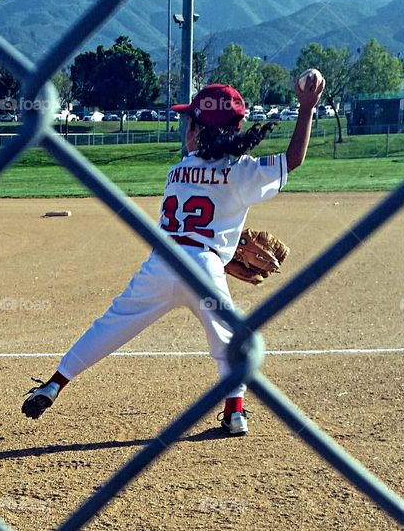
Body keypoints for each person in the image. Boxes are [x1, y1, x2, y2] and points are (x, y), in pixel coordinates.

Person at [21, 73, 325, 435]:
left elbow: (192, 221)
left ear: (199, 131)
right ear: (236, 128)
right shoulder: (241, 172)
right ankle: (234, 412)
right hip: (206, 269)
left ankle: (55, 383)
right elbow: (292, 160)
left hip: (162, 264)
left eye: (190, 123)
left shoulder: (177, 171)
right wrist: (306, 108)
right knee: (231, 341)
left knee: (111, 324)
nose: (186, 129)